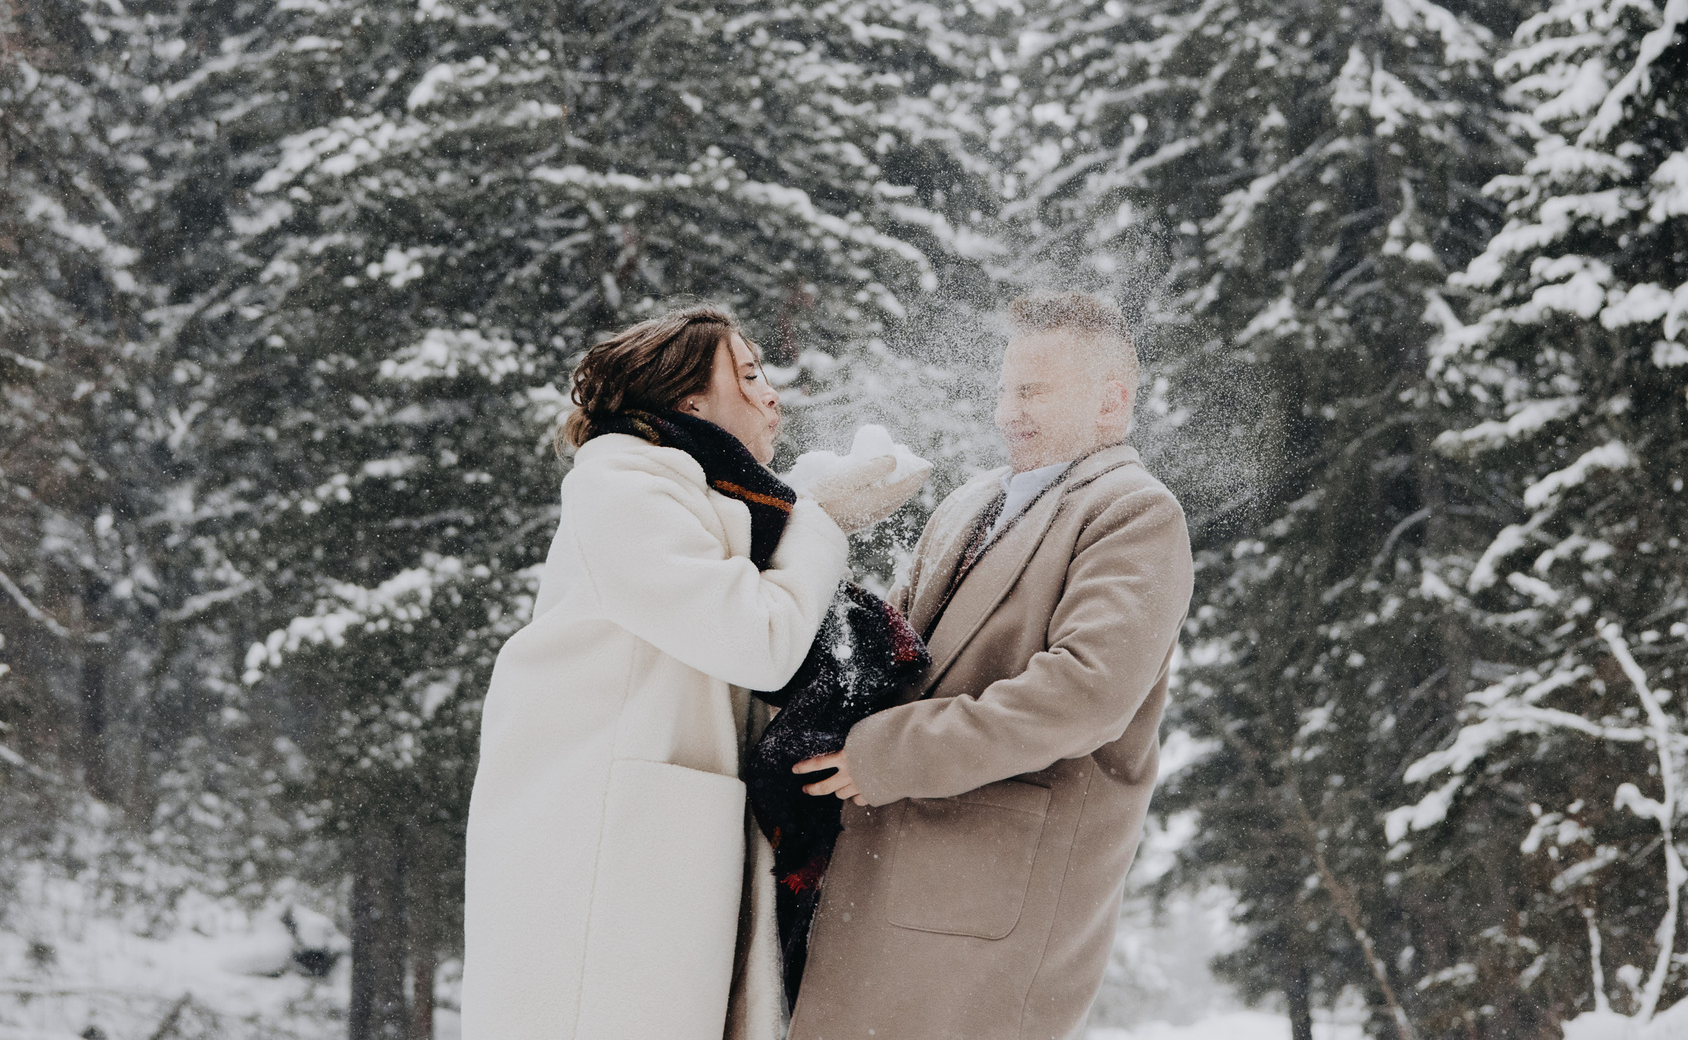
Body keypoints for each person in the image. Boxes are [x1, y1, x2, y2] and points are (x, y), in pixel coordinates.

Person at [461, 305, 925, 1040]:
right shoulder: (620, 485)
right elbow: (760, 637)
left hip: (653, 845)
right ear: (687, 400)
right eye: (747, 374)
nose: (773, 394)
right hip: (602, 852)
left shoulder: (700, 500)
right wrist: (821, 520)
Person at [786, 292, 1195, 1040]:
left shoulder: (1137, 512)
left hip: (987, 899)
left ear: (1112, 400)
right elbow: (894, 653)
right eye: (1005, 387)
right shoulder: (970, 501)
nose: (1008, 409)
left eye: (1033, 389)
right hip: (883, 873)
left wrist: (889, 755)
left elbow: (1082, 693)